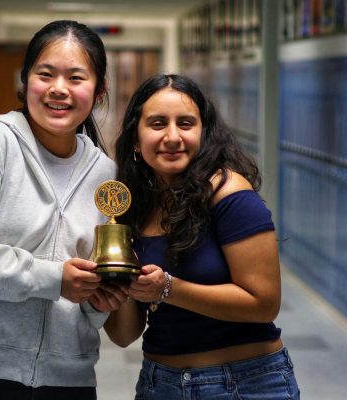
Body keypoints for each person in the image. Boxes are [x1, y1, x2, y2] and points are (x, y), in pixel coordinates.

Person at [0, 20, 127, 400]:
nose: (58, 89)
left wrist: (99, 302)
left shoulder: (105, 175)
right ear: (25, 80)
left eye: (76, 78)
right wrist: (53, 279)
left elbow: (93, 279)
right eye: (45, 74)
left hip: (68, 379)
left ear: (99, 91)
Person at [104, 74, 300, 399]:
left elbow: (264, 304)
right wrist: (116, 285)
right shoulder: (132, 208)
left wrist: (168, 288)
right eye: (157, 124)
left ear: (203, 134)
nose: (172, 136)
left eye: (185, 123)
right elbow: (125, 335)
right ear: (136, 140)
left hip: (243, 384)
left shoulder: (228, 193)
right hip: (159, 383)